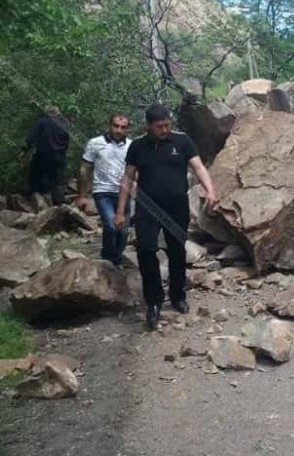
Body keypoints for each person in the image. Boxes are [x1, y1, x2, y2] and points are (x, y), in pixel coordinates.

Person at [114, 105, 217, 330]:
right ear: (148, 126)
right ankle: (153, 301)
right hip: (147, 208)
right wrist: (120, 211)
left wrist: (210, 190)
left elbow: (198, 167)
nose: (164, 130)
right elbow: (127, 179)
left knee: (177, 250)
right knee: (146, 249)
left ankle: (178, 295)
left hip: (176, 206)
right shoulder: (137, 147)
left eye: (167, 125)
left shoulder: (182, 141)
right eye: (159, 126)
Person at [75, 114, 132, 267]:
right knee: (111, 226)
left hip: (124, 192)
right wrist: (81, 195)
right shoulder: (95, 143)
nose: (118, 130)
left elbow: (136, 170)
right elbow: (84, 169)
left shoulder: (131, 146)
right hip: (102, 191)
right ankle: (110, 261)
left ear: (127, 129)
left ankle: (115, 260)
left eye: (123, 127)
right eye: (116, 126)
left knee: (123, 231)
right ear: (109, 125)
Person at [22, 105, 70, 205]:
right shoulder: (64, 124)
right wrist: (63, 152)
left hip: (43, 155)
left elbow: (31, 137)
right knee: (57, 181)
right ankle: (59, 204)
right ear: (57, 113)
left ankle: (32, 199)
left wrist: (24, 151)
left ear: (47, 113)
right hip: (59, 156)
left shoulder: (42, 122)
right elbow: (66, 141)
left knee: (35, 175)